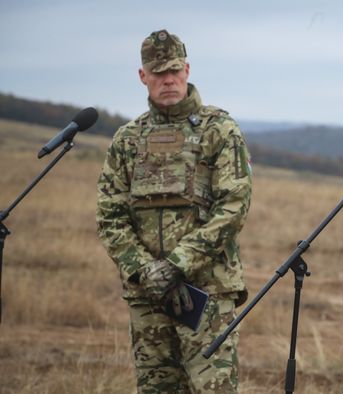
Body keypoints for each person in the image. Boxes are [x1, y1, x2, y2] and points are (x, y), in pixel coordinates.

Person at [96, 29, 252, 393]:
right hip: (148, 295)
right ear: (142, 76)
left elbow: (233, 206)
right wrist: (142, 269)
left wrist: (177, 263)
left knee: (214, 388)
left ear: (187, 69)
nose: (169, 80)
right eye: (158, 73)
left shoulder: (220, 130)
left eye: (175, 71)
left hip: (207, 292)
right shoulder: (128, 140)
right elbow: (110, 214)